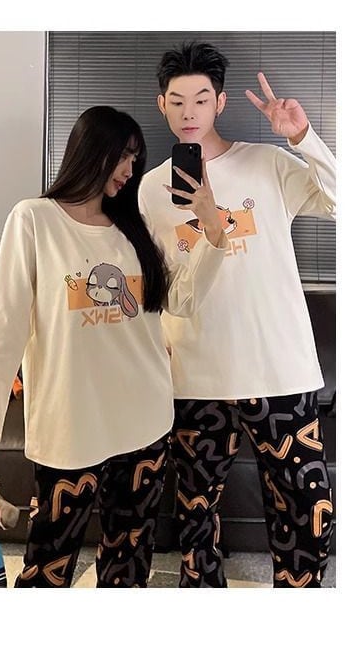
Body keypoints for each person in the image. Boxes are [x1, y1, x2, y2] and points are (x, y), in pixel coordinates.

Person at [0, 105, 228, 588]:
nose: (130, 170)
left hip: (144, 421)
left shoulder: (134, 228)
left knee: (129, 563)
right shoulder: (34, 219)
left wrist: (213, 230)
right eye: (123, 156)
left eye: (136, 160)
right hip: (69, 426)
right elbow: (3, 328)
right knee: (48, 562)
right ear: (92, 151)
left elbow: (180, 300)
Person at [138, 41, 335, 588]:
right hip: (195, 374)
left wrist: (301, 136)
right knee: (195, 513)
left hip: (279, 368)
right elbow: (163, 285)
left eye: (201, 99)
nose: (190, 112)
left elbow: (342, 203)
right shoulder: (151, 189)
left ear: (220, 102)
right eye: (178, 101)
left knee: (305, 506)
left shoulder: (267, 163)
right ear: (161, 104)